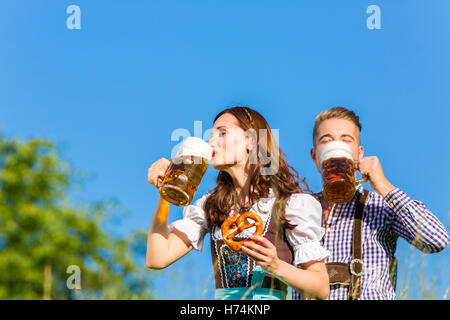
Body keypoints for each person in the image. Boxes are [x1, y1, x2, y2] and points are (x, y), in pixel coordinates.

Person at [146, 106, 330, 300]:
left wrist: (276, 265)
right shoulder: (211, 204)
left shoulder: (290, 204)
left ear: (250, 140)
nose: (210, 144)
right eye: (210, 136)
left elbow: (320, 288)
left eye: (222, 133)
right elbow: (157, 258)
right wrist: (165, 193)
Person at [292, 106, 449, 300]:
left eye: (345, 139)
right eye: (326, 140)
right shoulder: (296, 211)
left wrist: (382, 184)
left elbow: (436, 240)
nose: (336, 145)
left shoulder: (380, 205)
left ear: (359, 153)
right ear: (315, 155)